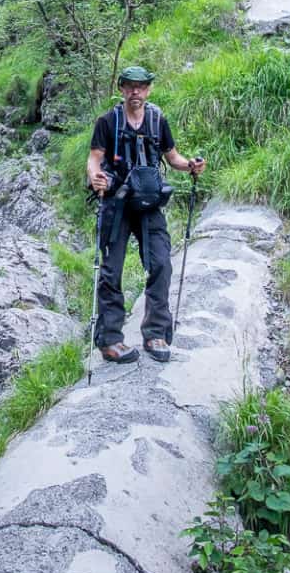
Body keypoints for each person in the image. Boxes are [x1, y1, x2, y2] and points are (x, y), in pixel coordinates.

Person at [86, 65, 205, 364]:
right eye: (129, 86)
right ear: (121, 89)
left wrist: (189, 164)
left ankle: (155, 333)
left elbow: (172, 155)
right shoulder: (108, 121)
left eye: (141, 86)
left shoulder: (157, 119)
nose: (135, 91)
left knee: (162, 263)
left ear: (148, 89)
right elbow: (95, 159)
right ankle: (110, 340)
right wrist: (95, 177)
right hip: (117, 202)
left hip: (149, 202)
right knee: (111, 271)